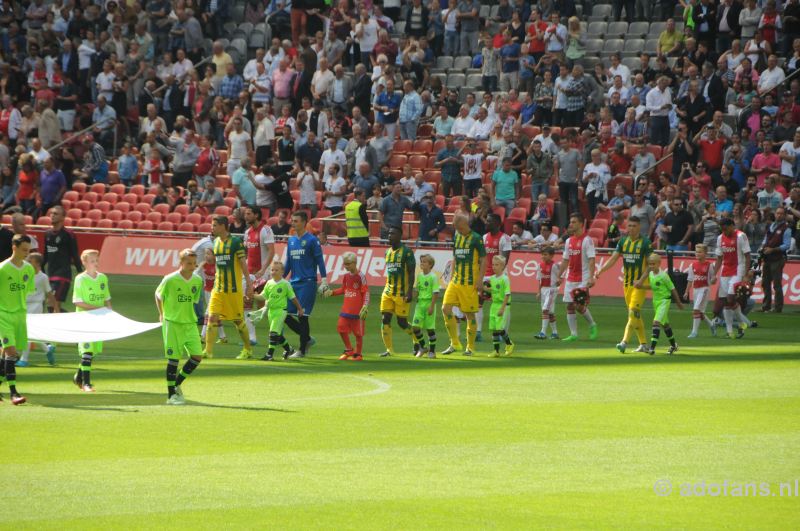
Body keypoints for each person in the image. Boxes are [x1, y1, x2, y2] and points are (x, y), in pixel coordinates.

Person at [595, 215, 653, 353]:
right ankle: (644, 344)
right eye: (629, 226)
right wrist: (601, 270)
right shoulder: (623, 242)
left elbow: (651, 265)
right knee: (635, 314)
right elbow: (614, 258)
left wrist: (641, 280)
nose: (631, 229)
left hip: (640, 284)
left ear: (639, 227)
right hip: (627, 284)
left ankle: (624, 342)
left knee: (633, 311)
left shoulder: (645, 243)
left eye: (634, 226)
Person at [155, 249, 204, 405]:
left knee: (197, 356)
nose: (192, 266)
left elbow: (193, 301)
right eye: (188, 263)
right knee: (174, 359)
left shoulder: (197, 281)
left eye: (194, 263)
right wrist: (162, 314)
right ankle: (171, 396)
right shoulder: (170, 279)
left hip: (190, 323)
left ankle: (176, 384)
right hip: (173, 323)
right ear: (181, 263)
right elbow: (158, 295)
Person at [204, 216, 254, 360]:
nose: (211, 228)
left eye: (214, 225)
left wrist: (249, 285)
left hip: (233, 290)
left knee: (238, 321)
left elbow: (243, 264)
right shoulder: (216, 243)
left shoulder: (236, 243)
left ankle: (247, 349)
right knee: (212, 317)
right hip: (218, 289)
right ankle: (207, 351)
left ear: (223, 226)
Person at [283, 211, 328, 358]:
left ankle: (302, 350)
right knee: (284, 314)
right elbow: (289, 262)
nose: (293, 223)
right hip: (293, 283)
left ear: (304, 222)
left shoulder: (312, 240)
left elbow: (319, 260)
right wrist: (281, 279)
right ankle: (307, 339)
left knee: (303, 316)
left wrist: (325, 279)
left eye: (296, 221)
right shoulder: (291, 241)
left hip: (308, 283)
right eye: (293, 220)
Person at [441, 214, 486, 356]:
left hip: (469, 283)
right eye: (456, 228)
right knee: (445, 308)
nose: (458, 231)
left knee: (469, 314)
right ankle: (454, 342)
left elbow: (484, 260)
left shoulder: (476, 238)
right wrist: (451, 276)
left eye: (459, 228)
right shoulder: (457, 237)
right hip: (456, 281)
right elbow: (454, 257)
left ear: (465, 224)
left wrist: (480, 279)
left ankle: (470, 347)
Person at [0, 235, 35, 404]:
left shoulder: (28, 269)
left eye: (28, 250)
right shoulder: (2, 269)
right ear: (14, 247)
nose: (26, 253)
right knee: (12, 353)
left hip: (20, 315)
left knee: (7, 354)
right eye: (24, 250)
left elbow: (27, 291)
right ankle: (13, 393)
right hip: (3, 315)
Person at [71, 250, 112, 393]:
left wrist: (109, 313)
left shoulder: (102, 278)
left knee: (92, 352)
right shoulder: (80, 279)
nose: (95, 263)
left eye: (96, 260)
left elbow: (107, 298)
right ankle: (86, 384)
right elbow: (77, 302)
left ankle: (78, 376)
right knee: (87, 350)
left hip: (99, 320)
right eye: (92, 261)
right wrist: (97, 308)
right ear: (84, 263)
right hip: (84, 320)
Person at [250, 261, 302, 361]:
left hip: (281, 311)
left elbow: (293, 298)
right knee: (277, 335)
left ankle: (269, 355)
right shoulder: (269, 283)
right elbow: (263, 296)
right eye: (272, 270)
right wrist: (253, 295)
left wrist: (299, 309)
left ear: (282, 272)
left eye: (276, 270)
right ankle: (289, 350)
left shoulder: (285, 284)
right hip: (271, 312)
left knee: (273, 333)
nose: (273, 272)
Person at [379, 226, 418, 357]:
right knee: (385, 319)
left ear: (400, 236)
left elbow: (412, 273)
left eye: (393, 234)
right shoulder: (387, 252)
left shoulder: (407, 252)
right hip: (388, 291)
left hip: (402, 293)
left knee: (401, 323)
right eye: (389, 234)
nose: (390, 236)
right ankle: (389, 349)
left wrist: (410, 291)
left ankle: (417, 339)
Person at [635, 254, 684, 355]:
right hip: (656, 302)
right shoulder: (651, 274)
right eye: (650, 264)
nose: (651, 266)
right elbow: (653, 287)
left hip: (664, 301)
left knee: (656, 322)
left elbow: (672, 289)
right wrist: (642, 287)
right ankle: (674, 345)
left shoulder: (663, 276)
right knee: (665, 324)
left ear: (659, 264)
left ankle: (652, 348)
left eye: (653, 264)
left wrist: (678, 302)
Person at [559, 214, 598, 342]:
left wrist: (591, 278)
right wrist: (559, 276)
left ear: (581, 224)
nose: (571, 224)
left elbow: (592, 259)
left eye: (574, 222)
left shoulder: (587, 240)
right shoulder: (568, 241)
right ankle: (574, 334)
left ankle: (592, 324)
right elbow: (565, 260)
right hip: (571, 278)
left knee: (579, 306)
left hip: (583, 278)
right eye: (570, 222)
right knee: (569, 306)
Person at [326, 252, 369, 361]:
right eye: (344, 264)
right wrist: (332, 292)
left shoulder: (361, 276)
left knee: (358, 333)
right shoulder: (346, 276)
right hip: (346, 310)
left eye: (348, 264)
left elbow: (366, 292)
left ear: (354, 263)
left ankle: (358, 354)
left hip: (357, 311)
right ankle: (349, 349)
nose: (346, 266)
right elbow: (343, 289)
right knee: (341, 328)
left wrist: (365, 306)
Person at [714, 217, 751, 339]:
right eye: (722, 229)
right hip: (725, 271)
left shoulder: (741, 236)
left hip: (737, 270)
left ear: (732, 226)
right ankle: (730, 331)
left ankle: (741, 322)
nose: (724, 232)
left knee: (730, 298)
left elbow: (747, 256)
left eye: (726, 229)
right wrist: (714, 273)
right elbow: (719, 258)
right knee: (726, 302)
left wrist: (745, 275)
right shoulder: (720, 238)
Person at [17, 252, 56, 367]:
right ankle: (48, 350)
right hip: (24, 306)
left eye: (30, 261)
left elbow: (49, 293)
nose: (27, 263)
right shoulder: (23, 273)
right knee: (30, 332)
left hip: (36, 306)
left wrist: (55, 307)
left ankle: (24, 359)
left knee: (28, 331)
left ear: (38, 264)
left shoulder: (43, 277)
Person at [43, 206, 81, 312]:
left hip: (63, 275)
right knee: (51, 307)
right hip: (51, 275)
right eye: (51, 213)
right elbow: (45, 255)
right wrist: (40, 270)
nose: (52, 215)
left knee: (53, 305)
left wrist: (81, 273)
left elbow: (75, 255)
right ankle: (72, 319)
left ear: (63, 217)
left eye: (56, 214)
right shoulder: (47, 234)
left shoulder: (68, 234)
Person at [481, 255, 514, 358]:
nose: (494, 267)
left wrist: (502, 308)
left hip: (503, 305)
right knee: (494, 329)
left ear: (502, 266)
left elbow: (507, 294)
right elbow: (493, 290)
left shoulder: (505, 279)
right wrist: (483, 288)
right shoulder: (492, 278)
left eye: (497, 265)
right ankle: (496, 351)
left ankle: (509, 344)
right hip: (494, 305)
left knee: (500, 328)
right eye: (493, 264)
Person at [760, 206, 791, 313]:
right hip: (767, 258)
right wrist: (762, 247)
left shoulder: (786, 228)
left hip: (778, 258)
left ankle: (778, 307)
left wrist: (772, 250)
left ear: (785, 216)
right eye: (777, 213)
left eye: (781, 213)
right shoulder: (771, 225)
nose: (779, 215)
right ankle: (766, 306)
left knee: (776, 283)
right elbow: (766, 239)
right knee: (765, 282)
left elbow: (787, 245)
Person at [411, 254, 440, 359]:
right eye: (421, 261)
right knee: (415, 327)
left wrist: (432, 306)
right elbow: (417, 290)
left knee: (430, 329)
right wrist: (410, 296)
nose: (422, 263)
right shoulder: (419, 276)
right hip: (419, 304)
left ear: (430, 264)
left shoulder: (433, 277)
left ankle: (432, 351)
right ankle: (423, 347)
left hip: (428, 304)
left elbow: (436, 293)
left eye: (424, 262)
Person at [685, 244, 717, 338]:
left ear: (705, 253)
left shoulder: (709, 265)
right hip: (696, 290)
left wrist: (713, 280)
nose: (697, 254)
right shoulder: (692, 265)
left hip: (704, 289)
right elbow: (690, 279)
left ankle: (694, 332)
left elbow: (713, 279)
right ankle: (711, 325)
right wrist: (686, 291)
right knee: (700, 313)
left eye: (700, 252)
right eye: (696, 251)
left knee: (695, 310)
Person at [535, 247, 560, 340]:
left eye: (545, 254)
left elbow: (560, 276)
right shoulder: (540, 265)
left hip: (552, 290)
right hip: (543, 290)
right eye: (542, 254)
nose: (543, 256)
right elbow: (540, 280)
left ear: (552, 255)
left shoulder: (555, 266)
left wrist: (559, 281)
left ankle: (543, 332)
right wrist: (539, 292)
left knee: (545, 310)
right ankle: (555, 333)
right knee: (550, 312)